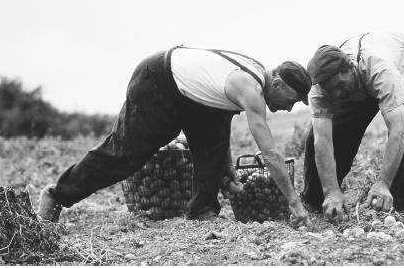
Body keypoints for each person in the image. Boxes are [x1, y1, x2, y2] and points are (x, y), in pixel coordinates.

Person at [37, 45, 312, 227]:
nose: (289, 107)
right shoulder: (249, 88)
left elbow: (220, 118)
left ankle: (202, 209)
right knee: (125, 153)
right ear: (277, 83)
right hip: (159, 80)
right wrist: (293, 202)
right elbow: (270, 152)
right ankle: (56, 194)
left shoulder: (256, 75)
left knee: (213, 142)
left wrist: (225, 166)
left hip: (190, 96)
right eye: (293, 99)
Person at [300, 32, 404, 222]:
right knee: (332, 133)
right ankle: (317, 201)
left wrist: (383, 182)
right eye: (329, 90)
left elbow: (398, 132)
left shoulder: (381, 71)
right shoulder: (320, 88)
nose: (335, 94)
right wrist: (331, 191)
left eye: (338, 85)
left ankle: (394, 206)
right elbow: (323, 140)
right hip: (361, 80)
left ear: (349, 68)